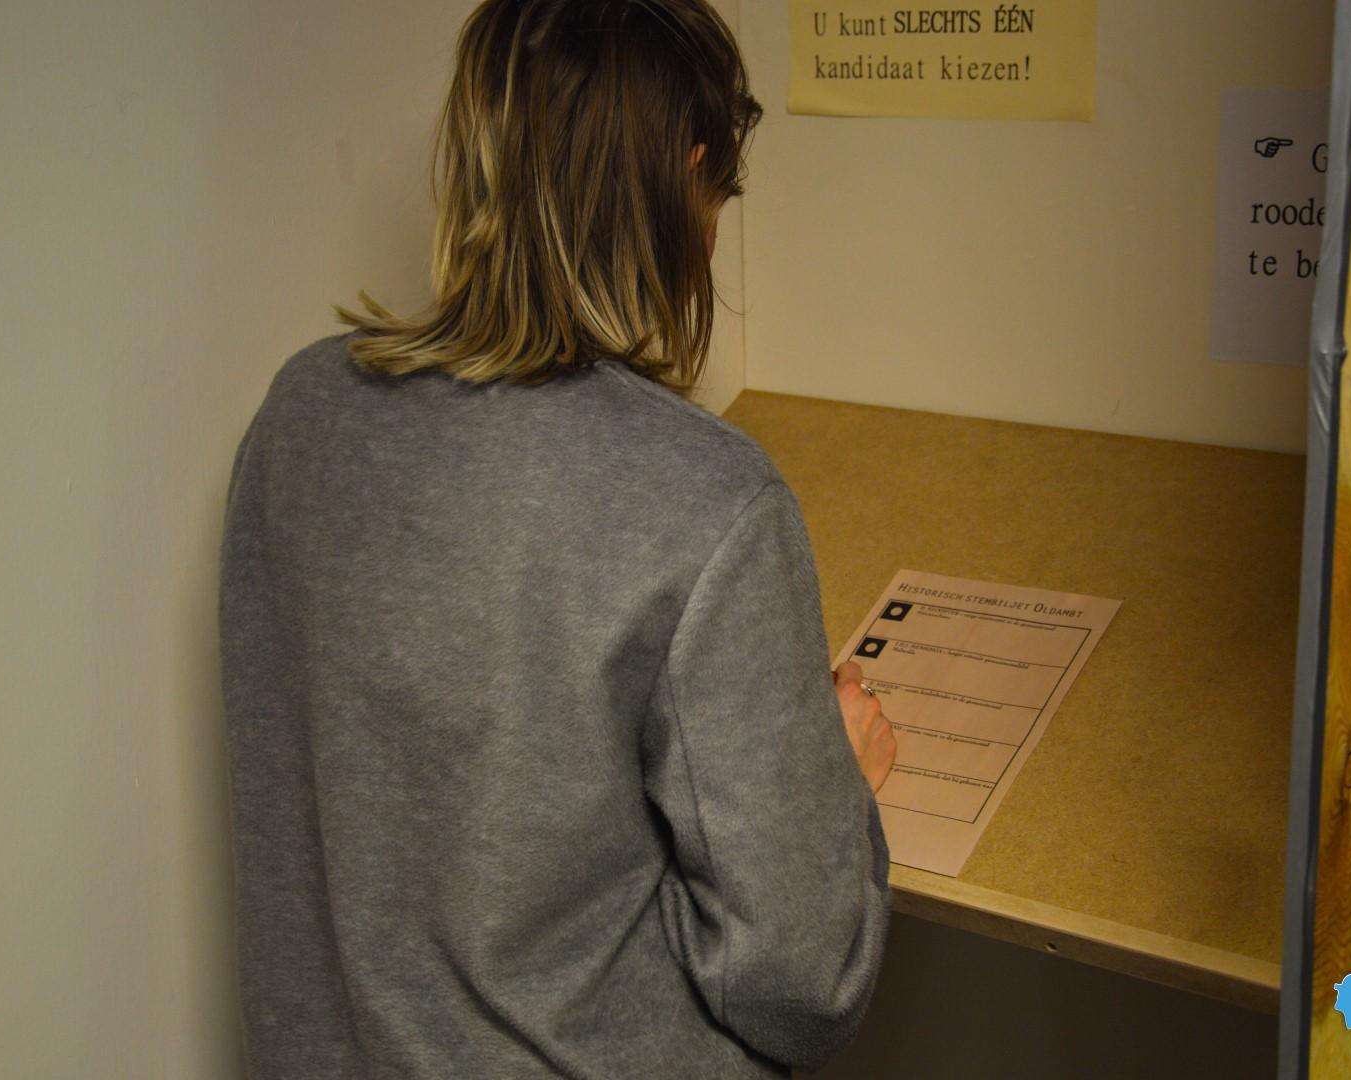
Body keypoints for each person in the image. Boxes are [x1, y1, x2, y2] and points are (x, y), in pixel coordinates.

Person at [217, 1, 897, 1076]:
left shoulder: (297, 416)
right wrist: (834, 793)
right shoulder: (707, 498)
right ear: (689, 171)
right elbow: (802, 986)